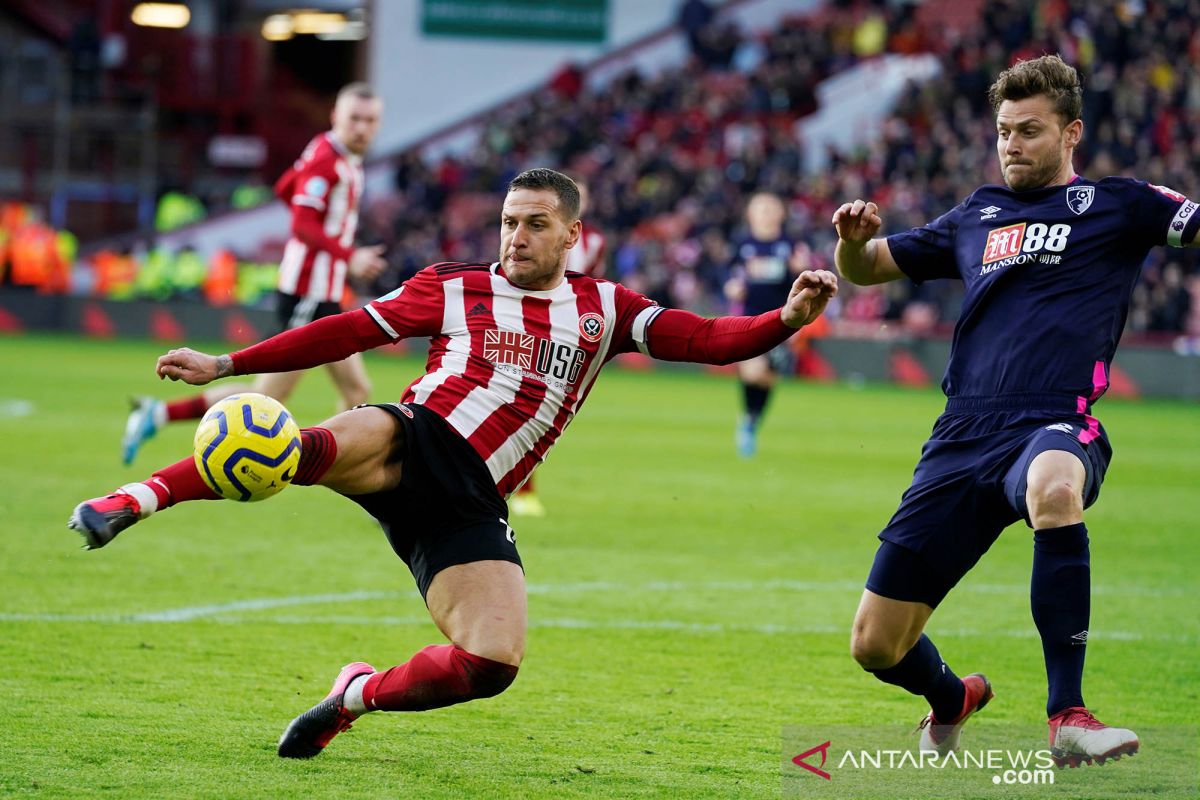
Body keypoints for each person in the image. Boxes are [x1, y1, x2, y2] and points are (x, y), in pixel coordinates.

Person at [69, 169, 838, 759]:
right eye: (509, 222)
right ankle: (132, 500)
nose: (516, 237)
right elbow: (343, 334)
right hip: (417, 434)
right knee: (290, 449)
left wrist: (786, 319)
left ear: (573, 234)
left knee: (492, 662)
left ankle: (354, 697)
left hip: (471, 504)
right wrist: (227, 362)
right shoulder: (454, 287)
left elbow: (710, 340)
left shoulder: (610, 310)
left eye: (536, 225)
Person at [833, 54, 1199, 766]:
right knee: (876, 645)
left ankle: (1069, 715)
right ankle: (952, 698)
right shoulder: (977, 215)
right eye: (1004, 131)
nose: (1011, 144)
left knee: (1055, 488)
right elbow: (868, 267)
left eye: (1029, 131)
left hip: (1054, 420)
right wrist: (849, 244)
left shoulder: (1119, 205)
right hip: (961, 433)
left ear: (1071, 134)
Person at [121, 83, 388, 465]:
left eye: (370, 120)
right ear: (336, 118)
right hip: (307, 295)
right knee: (268, 399)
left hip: (322, 294)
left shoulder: (332, 153)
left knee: (357, 388)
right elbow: (302, 225)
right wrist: (348, 255)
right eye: (355, 119)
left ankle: (348, 466)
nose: (362, 128)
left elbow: (284, 189)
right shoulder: (327, 162)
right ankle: (164, 420)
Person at [509, 176, 607, 517]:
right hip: (528, 323)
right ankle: (522, 491)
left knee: (540, 413)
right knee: (523, 407)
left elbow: (593, 285)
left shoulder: (595, 241)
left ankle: (517, 488)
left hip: (567, 331)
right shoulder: (531, 231)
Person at [724, 192, 805, 457]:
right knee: (753, 372)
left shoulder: (791, 246)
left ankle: (752, 420)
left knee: (769, 378)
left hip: (783, 319)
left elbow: (803, 279)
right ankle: (747, 421)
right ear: (750, 214)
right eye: (760, 208)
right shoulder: (742, 245)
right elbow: (729, 277)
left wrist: (800, 268)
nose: (766, 213)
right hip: (748, 319)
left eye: (771, 208)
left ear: (781, 213)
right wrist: (732, 288)